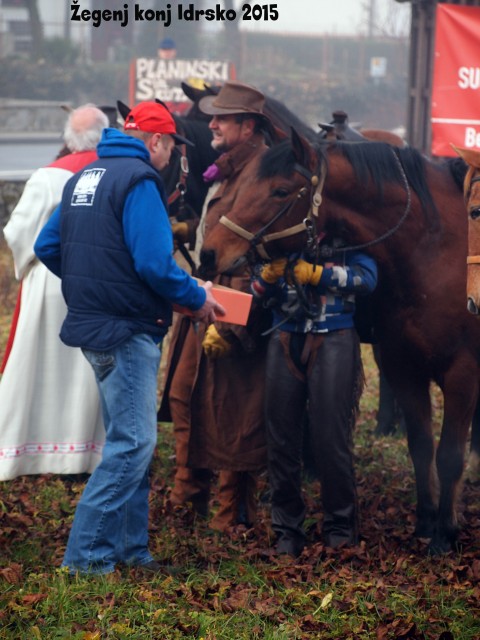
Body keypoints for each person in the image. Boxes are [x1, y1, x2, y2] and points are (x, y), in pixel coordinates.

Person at [34, 101, 224, 575]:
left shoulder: (85, 178)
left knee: (126, 440)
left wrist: (94, 283)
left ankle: (131, 552)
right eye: (173, 148)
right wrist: (196, 297)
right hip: (126, 331)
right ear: (157, 142)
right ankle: (85, 562)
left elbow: (47, 246)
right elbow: (155, 266)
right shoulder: (140, 182)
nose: (173, 158)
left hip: (95, 329)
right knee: (134, 446)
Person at [160, 81, 276, 531]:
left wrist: (232, 321)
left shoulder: (264, 173)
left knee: (233, 410)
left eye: (221, 118)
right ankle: (189, 498)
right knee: (183, 395)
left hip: (234, 308)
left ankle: (234, 515)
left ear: (248, 127)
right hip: (203, 299)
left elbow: (262, 254)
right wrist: (188, 230)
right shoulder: (230, 169)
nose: (211, 124)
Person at [0, 104, 109, 480]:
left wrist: (24, 266)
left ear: (68, 137)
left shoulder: (48, 176)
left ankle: (30, 451)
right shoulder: (115, 173)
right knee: (83, 372)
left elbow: (17, 233)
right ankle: (81, 455)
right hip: (99, 284)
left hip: (50, 281)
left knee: (41, 366)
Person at [251, 241, 378, 557]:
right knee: (280, 438)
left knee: (330, 438)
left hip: (335, 335)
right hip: (284, 333)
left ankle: (341, 528)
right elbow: (255, 288)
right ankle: (286, 530)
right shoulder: (279, 237)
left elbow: (368, 278)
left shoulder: (345, 234)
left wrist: (318, 274)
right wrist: (268, 275)